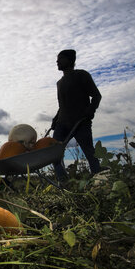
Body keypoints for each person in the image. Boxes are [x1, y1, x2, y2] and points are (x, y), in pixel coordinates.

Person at [51, 49, 102, 180]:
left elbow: (96, 95)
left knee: (90, 153)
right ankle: (63, 182)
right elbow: (62, 105)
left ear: (70, 60)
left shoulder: (81, 75)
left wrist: (90, 111)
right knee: (54, 154)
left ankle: (99, 178)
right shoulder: (59, 83)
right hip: (62, 124)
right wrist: (55, 119)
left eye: (60, 58)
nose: (57, 61)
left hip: (80, 121)